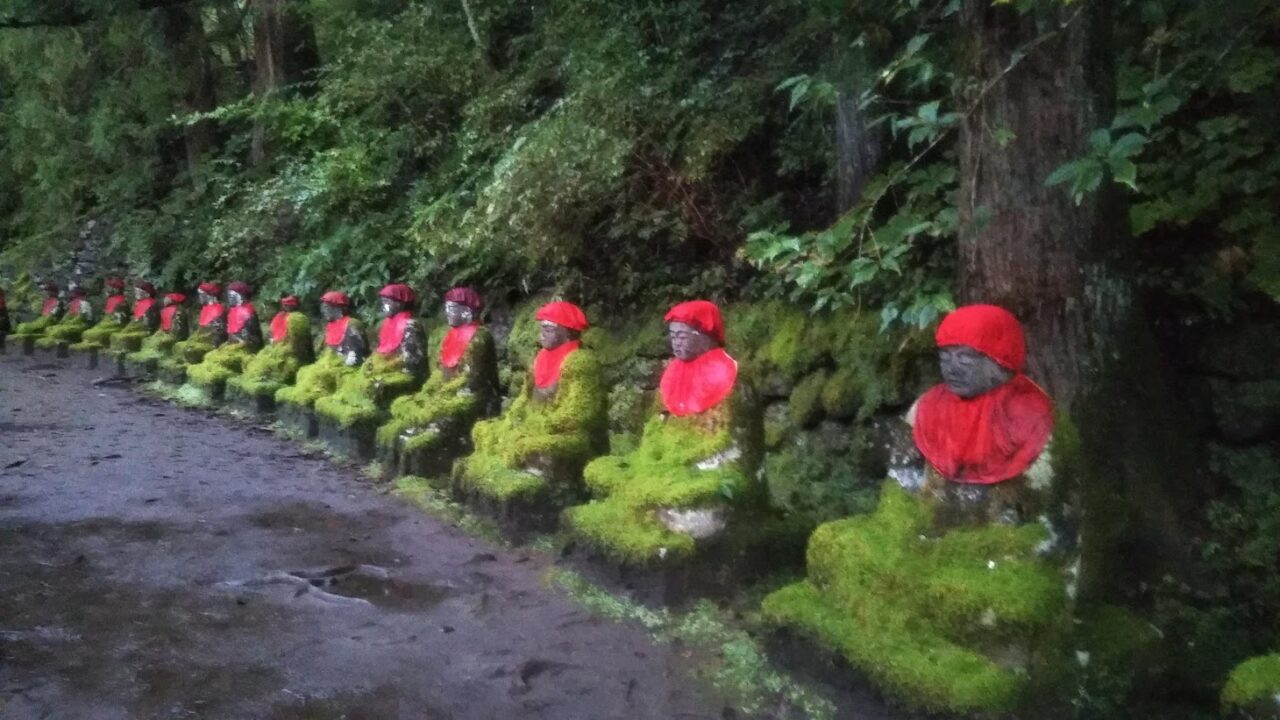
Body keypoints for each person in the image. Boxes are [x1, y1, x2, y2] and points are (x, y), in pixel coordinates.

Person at [565, 300, 762, 564]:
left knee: (677, 495)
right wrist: (652, 459)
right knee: (600, 470)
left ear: (705, 334)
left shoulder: (734, 379)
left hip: (707, 471)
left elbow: (733, 450)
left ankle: (648, 510)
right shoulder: (672, 374)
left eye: (682, 335)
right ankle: (641, 508)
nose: (675, 342)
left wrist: (681, 463)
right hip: (663, 468)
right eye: (672, 336)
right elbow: (655, 429)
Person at [452, 301, 607, 517]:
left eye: (548, 329)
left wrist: (543, 425)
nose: (541, 333)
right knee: (484, 429)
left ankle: (540, 481)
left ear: (568, 332)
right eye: (541, 328)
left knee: (534, 447)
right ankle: (506, 462)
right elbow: (525, 397)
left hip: (567, 434)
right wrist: (512, 417)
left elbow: (581, 413)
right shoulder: (540, 357)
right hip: (533, 426)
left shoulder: (581, 361)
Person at [376, 287, 500, 477]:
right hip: (447, 394)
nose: (447, 313)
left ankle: (424, 471)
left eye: (452, 309)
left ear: (466, 312)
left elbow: (472, 381)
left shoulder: (480, 337)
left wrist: (443, 398)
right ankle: (396, 471)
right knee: (405, 409)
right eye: (447, 308)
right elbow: (440, 373)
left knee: (432, 424)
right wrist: (428, 392)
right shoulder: (451, 335)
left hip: (471, 398)